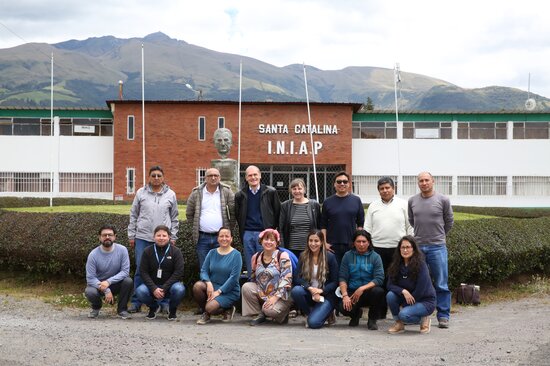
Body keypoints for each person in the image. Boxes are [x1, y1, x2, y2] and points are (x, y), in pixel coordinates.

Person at [127, 165, 179, 314]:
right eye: (153, 175)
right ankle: (136, 302)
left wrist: (173, 236)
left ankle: (164, 303)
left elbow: (175, 217)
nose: (156, 178)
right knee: (140, 270)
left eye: (159, 175)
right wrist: (132, 235)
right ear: (149, 177)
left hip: (163, 240)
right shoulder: (140, 193)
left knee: (165, 271)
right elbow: (133, 215)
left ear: (163, 178)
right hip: (143, 237)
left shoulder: (171, 194)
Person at [408, 171, 454, 329]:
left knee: (441, 283)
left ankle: (443, 316)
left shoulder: (443, 200)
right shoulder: (412, 201)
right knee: (420, 282)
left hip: (437, 247)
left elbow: (449, 221)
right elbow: (412, 221)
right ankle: (421, 314)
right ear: (418, 183)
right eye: (421, 180)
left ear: (433, 181)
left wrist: (439, 236)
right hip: (419, 247)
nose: (424, 183)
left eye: (427, 180)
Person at [365, 176, 413, 318]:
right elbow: (367, 228)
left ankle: (401, 310)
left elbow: (409, 226)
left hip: (398, 250)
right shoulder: (373, 206)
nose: (385, 191)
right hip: (378, 248)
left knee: (398, 279)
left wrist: (409, 246)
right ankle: (381, 311)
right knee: (380, 280)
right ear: (378, 191)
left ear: (394, 188)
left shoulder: (403, 204)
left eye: (387, 188)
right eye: (382, 188)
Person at [235, 165, 281, 277]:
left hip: (265, 233)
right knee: (251, 263)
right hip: (248, 233)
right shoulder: (240, 195)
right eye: (250, 175)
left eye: (255, 174)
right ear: (246, 178)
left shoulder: (270, 192)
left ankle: (266, 289)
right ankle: (252, 286)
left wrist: (271, 230)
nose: (253, 177)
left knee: (266, 262)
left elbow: (277, 212)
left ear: (260, 175)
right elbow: (237, 214)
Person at [186, 167, 235, 270]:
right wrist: (196, 226)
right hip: (202, 238)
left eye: (216, 176)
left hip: (221, 238)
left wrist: (229, 229)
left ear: (219, 177)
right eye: (210, 176)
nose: (213, 178)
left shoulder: (226, 191)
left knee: (222, 267)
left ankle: (219, 286)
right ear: (205, 178)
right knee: (204, 267)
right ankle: (206, 286)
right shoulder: (196, 193)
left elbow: (233, 212)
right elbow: (189, 213)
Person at [241, 228, 293, 325]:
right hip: (263, 292)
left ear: (277, 243)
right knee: (247, 287)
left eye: (272, 240)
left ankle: (283, 314)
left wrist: (275, 297)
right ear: (261, 241)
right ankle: (259, 314)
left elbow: (287, 279)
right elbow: (253, 276)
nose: (269, 242)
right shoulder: (256, 257)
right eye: (266, 239)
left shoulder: (282, 256)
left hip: (281, 295)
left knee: (269, 310)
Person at [386, 235, 436, 334]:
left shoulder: (421, 265)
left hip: (424, 300)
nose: (405, 250)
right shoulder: (396, 264)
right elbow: (390, 285)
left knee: (404, 315)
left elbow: (421, 290)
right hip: (407, 298)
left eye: (408, 247)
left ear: (413, 249)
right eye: (403, 247)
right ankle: (399, 324)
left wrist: (405, 305)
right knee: (390, 295)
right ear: (399, 249)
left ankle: (424, 319)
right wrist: (403, 291)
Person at [135, 225, 185, 321]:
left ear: (169, 237)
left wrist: (164, 288)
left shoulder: (176, 251)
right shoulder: (147, 251)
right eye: (158, 235)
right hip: (152, 286)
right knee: (140, 291)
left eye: (164, 235)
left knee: (179, 289)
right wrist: (154, 288)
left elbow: (178, 272)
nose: (161, 238)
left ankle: (172, 309)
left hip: (170, 286)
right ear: (154, 237)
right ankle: (153, 307)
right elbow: (143, 272)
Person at [193, 227, 243, 325]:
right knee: (197, 286)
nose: (224, 238)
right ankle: (206, 313)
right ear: (218, 238)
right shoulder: (212, 253)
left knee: (210, 307)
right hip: (213, 286)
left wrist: (219, 292)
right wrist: (208, 283)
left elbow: (234, 278)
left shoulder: (236, 255)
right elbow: (204, 271)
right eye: (221, 236)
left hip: (229, 290)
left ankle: (227, 308)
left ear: (231, 238)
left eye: (227, 236)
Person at [291, 230, 339, 329]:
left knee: (313, 324)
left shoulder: (330, 257)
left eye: (316, 241)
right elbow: (296, 277)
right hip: (310, 293)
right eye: (310, 240)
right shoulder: (303, 256)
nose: (313, 244)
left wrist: (321, 290)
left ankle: (327, 313)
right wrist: (310, 288)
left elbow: (335, 281)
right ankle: (310, 314)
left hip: (325, 295)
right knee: (296, 291)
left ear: (321, 242)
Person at [338, 229, 385, 330]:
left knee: (379, 291)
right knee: (342, 306)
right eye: (358, 241)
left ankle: (372, 319)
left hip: (369, 291)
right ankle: (355, 315)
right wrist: (345, 295)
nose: (361, 244)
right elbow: (342, 277)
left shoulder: (375, 257)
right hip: (352, 291)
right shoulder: (347, 256)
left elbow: (379, 278)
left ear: (369, 243)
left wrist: (362, 289)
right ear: (354, 243)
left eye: (364, 241)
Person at [85, 224, 133, 319]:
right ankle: (96, 308)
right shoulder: (93, 255)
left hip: (115, 284)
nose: (107, 237)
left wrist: (108, 282)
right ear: (99, 238)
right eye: (104, 235)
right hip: (98, 285)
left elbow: (125, 272)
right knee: (89, 291)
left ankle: (122, 310)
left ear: (115, 236)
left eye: (110, 235)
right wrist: (106, 289)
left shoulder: (122, 250)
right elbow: (90, 278)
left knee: (128, 281)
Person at [321, 171, 364, 266]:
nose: (342, 184)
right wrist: (324, 243)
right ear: (334, 184)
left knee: (350, 272)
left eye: (345, 181)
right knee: (334, 273)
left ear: (349, 184)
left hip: (351, 245)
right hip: (332, 246)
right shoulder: (327, 202)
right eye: (339, 181)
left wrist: (357, 242)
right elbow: (323, 225)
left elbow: (360, 224)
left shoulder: (356, 200)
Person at [279, 178, 321, 258]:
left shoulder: (314, 205)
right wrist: (282, 248)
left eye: (299, 188)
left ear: (304, 190)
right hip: (291, 249)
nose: (297, 191)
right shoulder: (285, 206)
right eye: (294, 189)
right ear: (291, 191)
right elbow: (281, 228)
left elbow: (319, 227)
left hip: (310, 248)